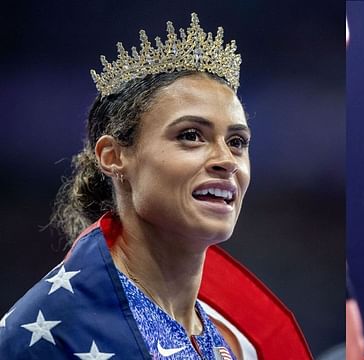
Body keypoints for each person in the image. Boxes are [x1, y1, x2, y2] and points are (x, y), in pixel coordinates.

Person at [0, 13, 311, 359]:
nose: (227, 160)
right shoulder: (50, 335)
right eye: (191, 136)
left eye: (237, 141)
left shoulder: (238, 342)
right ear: (114, 156)